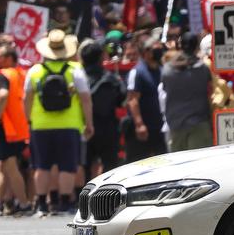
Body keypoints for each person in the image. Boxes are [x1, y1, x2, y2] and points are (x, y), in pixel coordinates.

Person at [24, 30, 93, 216]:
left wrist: (28, 119)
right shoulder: (74, 70)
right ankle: (65, 203)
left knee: (42, 165)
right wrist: (89, 123)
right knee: (67, 166)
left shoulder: (35, 71)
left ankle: (42, 204)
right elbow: (86, 99)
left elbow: (27, 98)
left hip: (40, 125)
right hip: (69, 125)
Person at [0, 44, 29, 215]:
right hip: (20, 128)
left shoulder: (3, 75)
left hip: (7, 128)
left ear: (8, 59)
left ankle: (23, 203)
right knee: (3, 165)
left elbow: (3, 95)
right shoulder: (21, 74)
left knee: (10, 166)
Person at [160, 32, 214, 152]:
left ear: (179, 46)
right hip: (199, 125)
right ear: (197, 47)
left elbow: (164, 88)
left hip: (175, 126)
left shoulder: (167, 70)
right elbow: (210, 92)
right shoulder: (203, 69)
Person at [79, 39, 124, 180]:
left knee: (83, 166)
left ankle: (83, 198)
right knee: (111, 168)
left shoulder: (77, 78)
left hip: (83, 128)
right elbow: (122, 101)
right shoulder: (111, 78)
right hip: (108, 129)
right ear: (101, 58)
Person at [125, 37, 167, 161]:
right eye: (155, 49)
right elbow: (133, 100)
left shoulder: (161, 70)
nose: (159, 51)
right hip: (144, 128)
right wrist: (139, 125)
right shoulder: (137, 72)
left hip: (160, 126)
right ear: (146, 52)